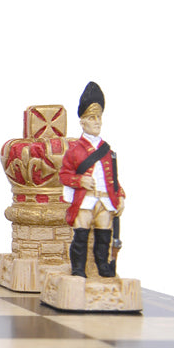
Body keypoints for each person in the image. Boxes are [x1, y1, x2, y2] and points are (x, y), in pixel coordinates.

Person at [59, 81, 125, 278]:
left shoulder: (108, 151)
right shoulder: (74, 150)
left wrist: (120, 196)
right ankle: (78, 269)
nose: (97, 122)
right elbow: (64, 175)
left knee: (104, 236)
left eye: (99, 117)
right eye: (91, 118)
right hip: (86, 200)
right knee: (80, 236)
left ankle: (102, 267)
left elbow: (113, 179)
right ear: (83, 122)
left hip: (105, 200)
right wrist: (80, 181)